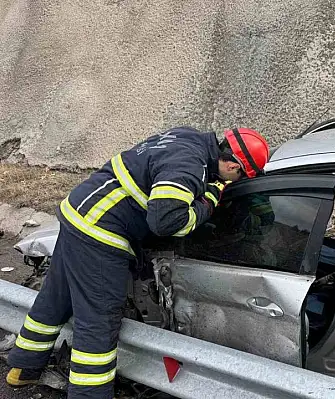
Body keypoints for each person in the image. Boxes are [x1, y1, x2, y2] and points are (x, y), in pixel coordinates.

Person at [5, 126, 270, 398]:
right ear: (230, 163)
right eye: (237, 176)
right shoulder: (188, 167)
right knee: (98, 323)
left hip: (79, 216)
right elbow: (167, 222)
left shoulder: (188, 137)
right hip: (100, 234)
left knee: (55, 300)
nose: (232, 182)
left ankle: (23, 369)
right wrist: (211, 199)